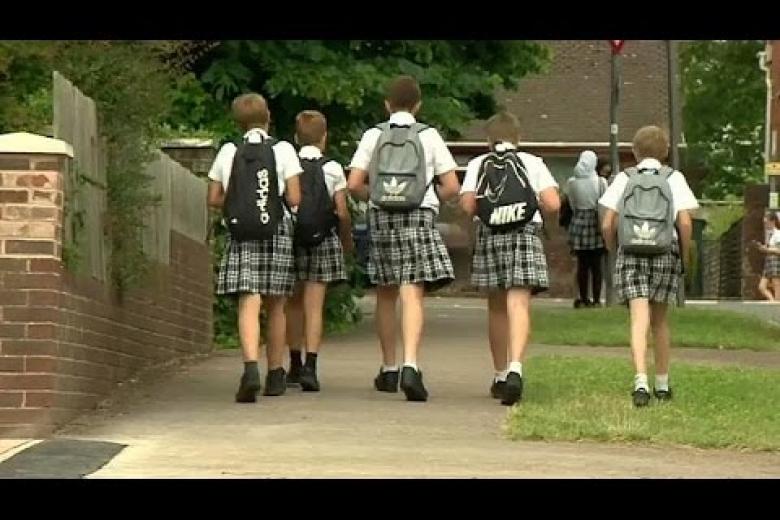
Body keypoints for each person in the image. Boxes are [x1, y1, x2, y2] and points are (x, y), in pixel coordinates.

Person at [347, 75, 460, 402]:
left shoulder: (373, 135)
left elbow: (354, 183)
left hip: (382, 215)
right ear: (418, 104)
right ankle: (412, 364)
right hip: (418, 214)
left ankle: (389, 368)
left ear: (387, 104)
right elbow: (451, 186)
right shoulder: (429, 136)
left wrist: (378, 194)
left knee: (385, 292)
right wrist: (429, 195)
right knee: (413, 290)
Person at [459, 111, 560, 406]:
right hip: (525, 233)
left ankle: (500, 374)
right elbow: (552, 203)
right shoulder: (532, 162)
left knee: (496, 307)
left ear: (488, 139)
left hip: (491, 234)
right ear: (519, 137)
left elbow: (467, 205)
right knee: (519, 303)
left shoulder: (479, 164)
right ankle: (517, 366)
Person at [207, 93, 302, 403]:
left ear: (238, 122)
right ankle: (276, 373)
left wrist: (240, 203)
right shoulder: (283, 149)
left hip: (242, 231)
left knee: (249, 299)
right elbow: (295, 197)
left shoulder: (229, 151)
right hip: (276, 228)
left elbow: (214, 197)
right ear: (268, 116)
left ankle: (250, 369)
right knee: (276, 303)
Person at [599, 125, 698, 407]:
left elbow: (608, 222)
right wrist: (683, 252)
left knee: (638, 318)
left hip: (631, 252)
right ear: (666, 152)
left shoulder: (624, 178)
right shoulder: (673, 178)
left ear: (635, 151)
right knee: (660, 321)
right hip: (664, 252)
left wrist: (613, 247)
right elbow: (686, 222)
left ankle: (640, 380)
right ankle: (663, 383)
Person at [286, 111, 354, 391]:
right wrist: (346, 241)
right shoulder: (333, 168)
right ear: (324, 137)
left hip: (292, 239)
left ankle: (294, 364)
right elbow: (341, 211)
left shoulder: (287, 164)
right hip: (323, 240)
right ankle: (311, 368)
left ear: (295, 138)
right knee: (315, 307)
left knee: (292, 304)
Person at [565, 150, 608, 308]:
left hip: (578, 222)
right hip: (595, 222)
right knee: (597, 265)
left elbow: (571, 204)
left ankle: (583, 298)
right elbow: (603, 203)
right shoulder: (601, 182)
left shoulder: (571, 182)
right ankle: (596, 299)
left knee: (582, 264)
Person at [755, 211, 780, 301]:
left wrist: (767, 250)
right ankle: (772, 301)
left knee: (776, 284)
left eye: (767, 222)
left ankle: (777, 304)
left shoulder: (778, 234)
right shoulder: (770, 234)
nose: (765, 225)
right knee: (762, 286)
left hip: (775, 261)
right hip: (769, 261)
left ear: (772, 221)